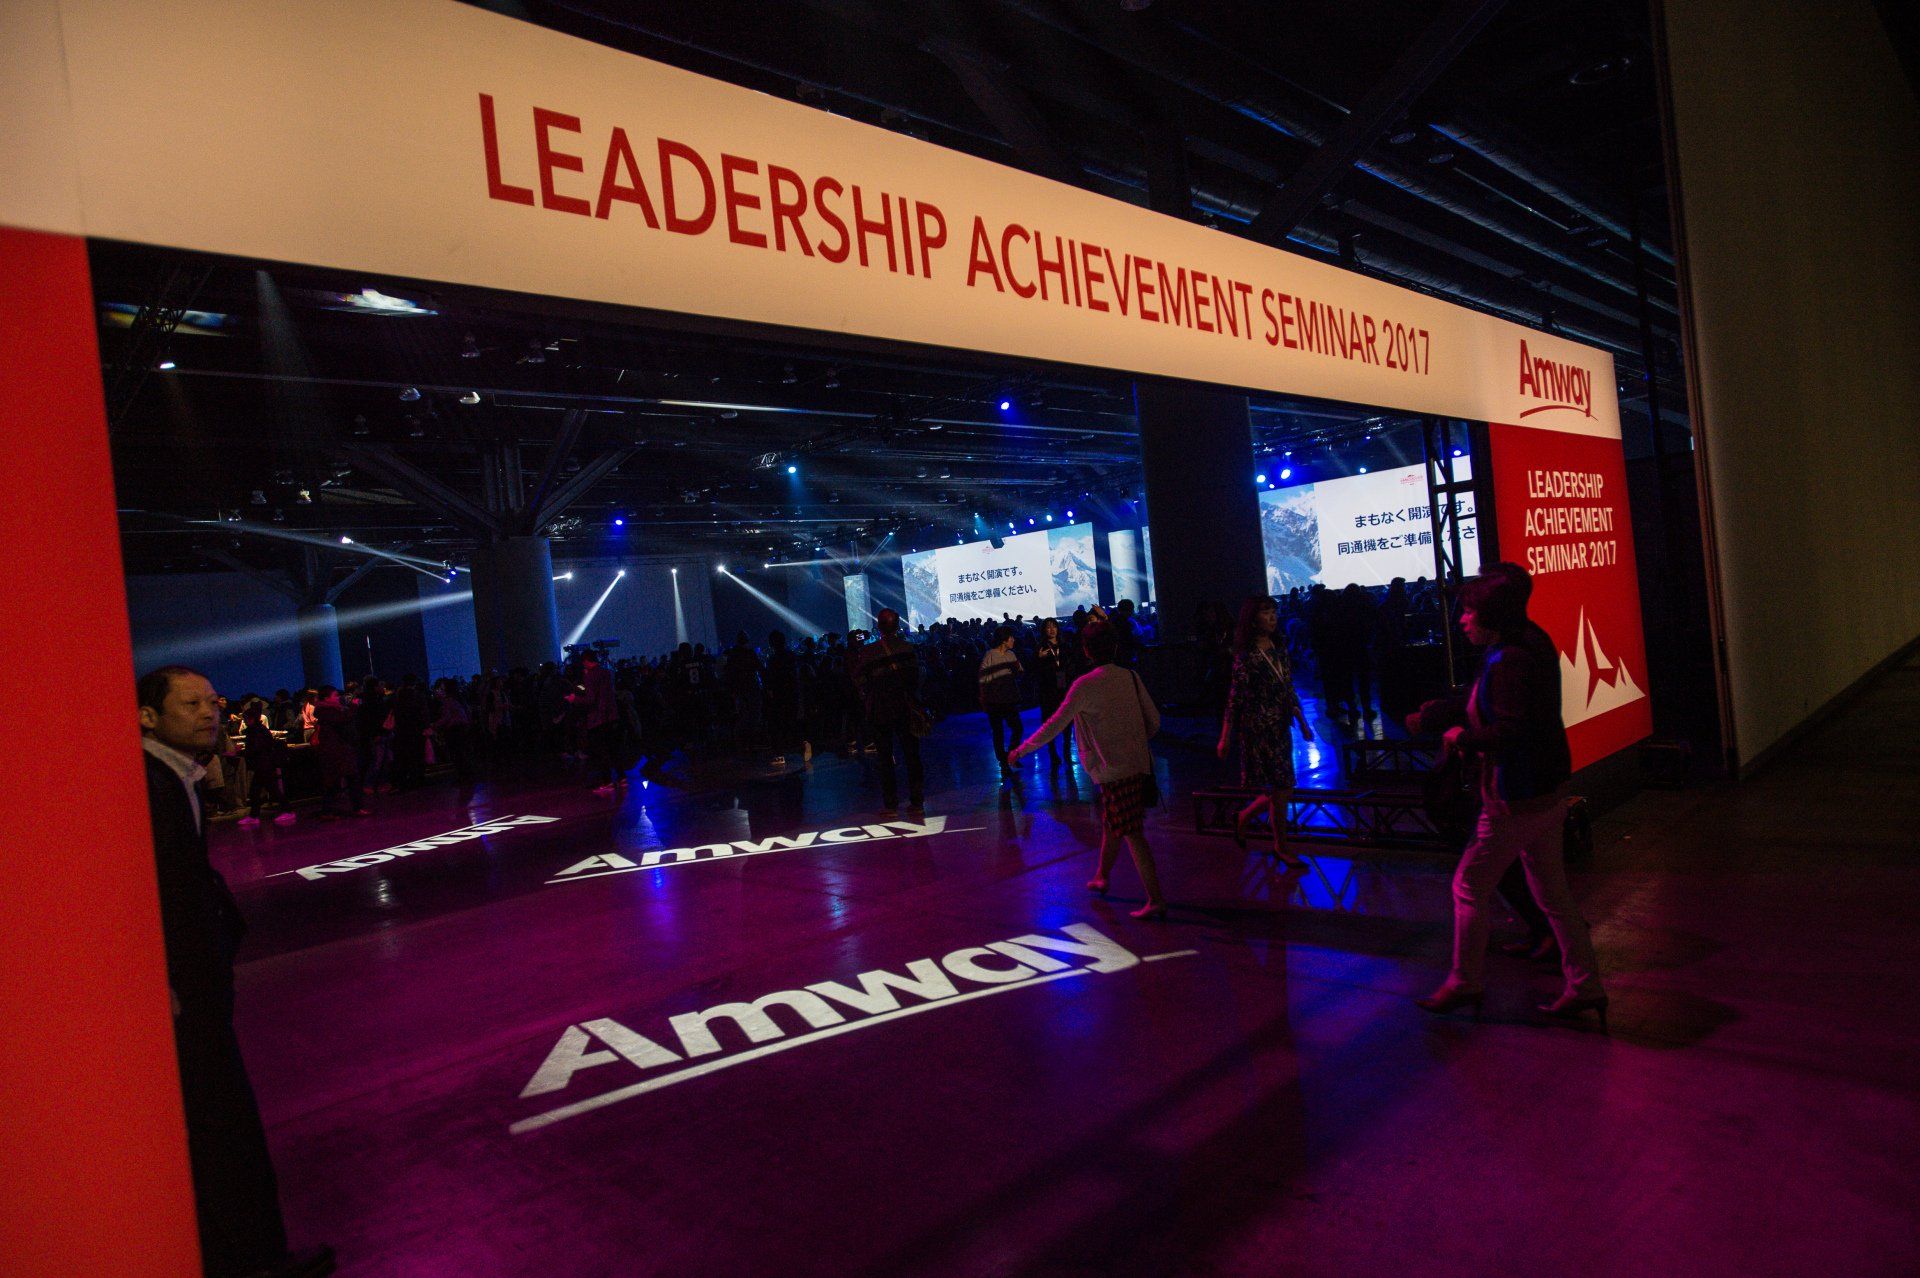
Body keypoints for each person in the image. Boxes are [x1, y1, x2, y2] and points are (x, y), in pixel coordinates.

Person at [138, 666, 335, 1278]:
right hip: (188, 987)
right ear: (148, 717)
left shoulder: (173, 777)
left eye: (212, 701)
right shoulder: (154, 785)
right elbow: (162, 889)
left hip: (195, 978)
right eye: (190, 703)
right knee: (221, 1119)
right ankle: (253, 1258)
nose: (209, 712)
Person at [1407, 565, 1608, 1024]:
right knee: (1553, 894)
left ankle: (1464, 982)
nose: (1462, 619)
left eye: (1469, 611)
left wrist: (1458, 737)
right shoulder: (1527, 642)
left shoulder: (1510, 658)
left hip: (1515, 796)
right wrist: (1443, 712)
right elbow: (1494, 704)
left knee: (1467, 886)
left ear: (1490, 615)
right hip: (1547, 791)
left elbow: (1511, 730)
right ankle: (1586, 985)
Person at [1009, 621, 1167, 919]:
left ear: (1085, 650)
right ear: (1116, 647)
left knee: (1132, 832)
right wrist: (1132, 739)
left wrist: (1020, 750)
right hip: (1138, 765)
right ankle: (1102, 876)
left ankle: (1155, 898)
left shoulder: (1085, 685)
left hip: (1112, 770)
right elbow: (1154, 721)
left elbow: (1053, 726)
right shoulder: (1130, 677)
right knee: (1113, 823)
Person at [1217, 595, 1314, 863]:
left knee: (1281, 788)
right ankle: (1281, 846)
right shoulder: (1247, 656)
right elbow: (1235, 698)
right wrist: (1225, 737)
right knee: (1281, 787)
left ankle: (1245, 817)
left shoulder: (1279, 648)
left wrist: (1303, 723)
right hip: (1258, 728)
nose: (1272, 617)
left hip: (1280, 726)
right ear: (1253, 618)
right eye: (1265, 612)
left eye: (1274, 611)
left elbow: (1288, 688)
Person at [854, 609, 923, 814]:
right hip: (905, 707)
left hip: (879, 710)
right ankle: (917, 801)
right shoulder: (908, 648)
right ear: (898, 626)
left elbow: (859, 681)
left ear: (879, 626)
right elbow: (916, 678)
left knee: (885, 758)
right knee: (912, 755)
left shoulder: (867, 652)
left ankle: (891, 804)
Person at [239, 702, 295, 827]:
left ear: (251, 719)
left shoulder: (255, 731)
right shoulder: (260, 729)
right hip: (265, 764)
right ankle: (256, 815)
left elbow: (258, 748)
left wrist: (244, 752)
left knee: (266, 789)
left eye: (246, 719)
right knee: (261, 790)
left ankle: (287, 811)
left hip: (263, 764)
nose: (245, 721)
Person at [978, 625, 1024, 779]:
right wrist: (984, 698)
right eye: (1011, 637)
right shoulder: (990, 655)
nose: (1013, 639)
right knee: (998, 732)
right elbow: (982, 679)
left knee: (1017, 728)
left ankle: (1009, 756)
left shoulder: (1012, 655)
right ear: (1004, 639)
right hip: (994, 700)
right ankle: (1004, 762)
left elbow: (1020, 672)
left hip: (1009, 699)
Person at [573, 650, 620, 795]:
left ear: (586, 660)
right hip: (611, 715)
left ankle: (606, 782)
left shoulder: (591, 676)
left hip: (597, 718)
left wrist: (574, 699)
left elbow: (590, 699)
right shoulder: (607, 672)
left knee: (600, 750)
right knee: (612, 748)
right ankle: (622, 777)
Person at [1031, 617, 1075, 766]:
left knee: (1067, 719)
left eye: (1053, 626)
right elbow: (1033, 670)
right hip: (1048, 689)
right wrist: (1039, 658)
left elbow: (1071, 664)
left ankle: (1067, 749)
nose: (1051, 630)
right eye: (1048, 627)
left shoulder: (1065, 645)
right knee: (1049, 721)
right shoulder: (1040, 647)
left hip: (1065, 687)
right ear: (1044, 630)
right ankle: (1052, 752)